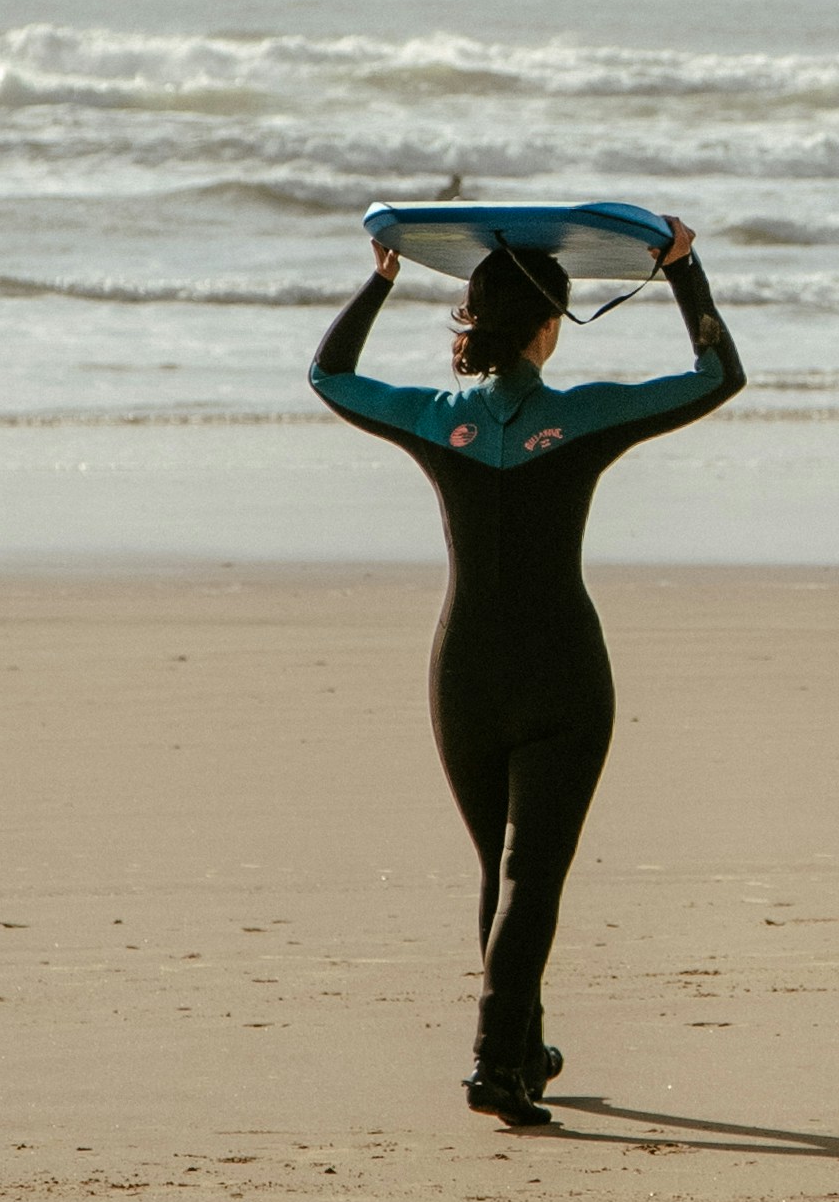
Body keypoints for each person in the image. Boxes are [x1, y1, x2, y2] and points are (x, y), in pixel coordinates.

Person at [309, 222, 745, 1127]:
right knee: (531, 877)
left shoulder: (436, 418)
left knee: (498, 872)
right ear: (548, 329)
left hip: (462, 673)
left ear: (479, 322)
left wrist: (379, 280)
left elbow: (330, 375)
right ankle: (492, 1062)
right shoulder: (582, 416)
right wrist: (682, 269)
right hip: (561, 675)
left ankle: (521, 1047)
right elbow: (716, 376)